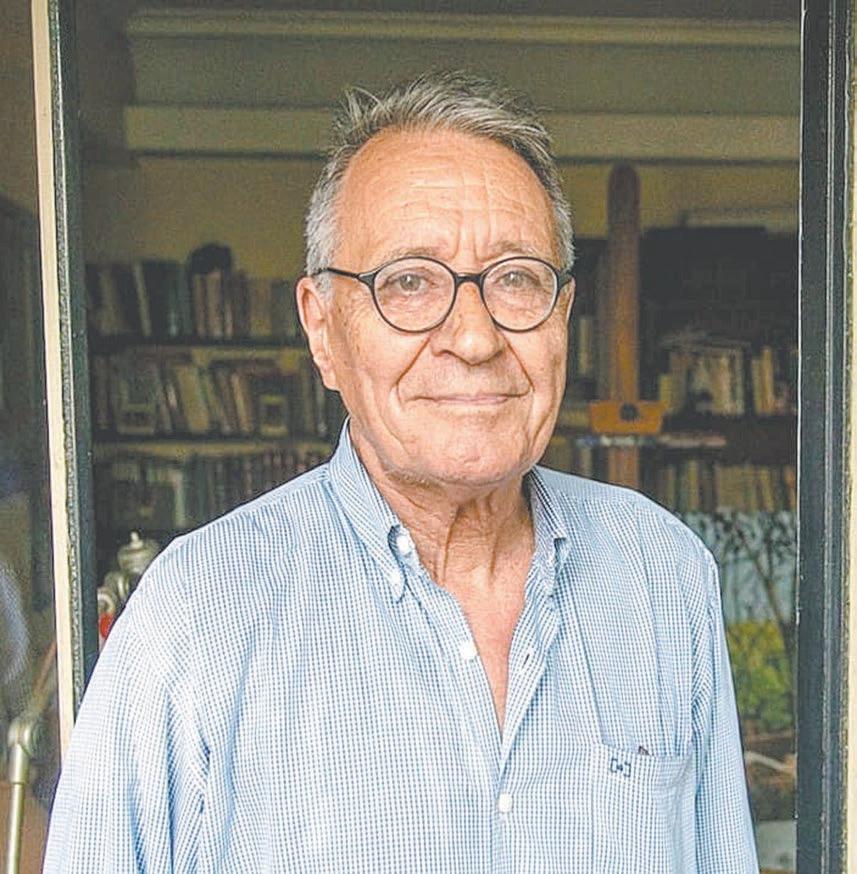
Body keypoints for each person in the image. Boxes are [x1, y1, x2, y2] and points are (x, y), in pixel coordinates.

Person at [44, 71, 757, 872]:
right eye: (409, 283)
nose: (475, 338)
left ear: (561, 314)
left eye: (516, 278)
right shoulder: (197, 611)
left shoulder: (663, 575)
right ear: (322, 329)